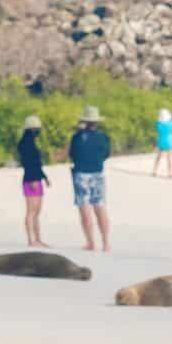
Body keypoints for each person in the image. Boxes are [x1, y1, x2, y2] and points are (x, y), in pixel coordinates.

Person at [69, 107, 111, 253]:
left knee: (84, 208)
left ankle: (91, 242)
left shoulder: (77, 137)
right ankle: (106, 242)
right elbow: (106, 154)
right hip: (97, 173)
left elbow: (72, 154)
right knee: (100, 207)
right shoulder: (103, 137)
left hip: (81, 173)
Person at [17, 115, 50, 247]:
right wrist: (34, 179)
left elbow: (37, 164)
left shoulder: (30, 142)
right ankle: (31, 240)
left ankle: (37, 239)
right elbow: (29, 163)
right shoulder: (26, 144)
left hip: (36, 178)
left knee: (37, 211)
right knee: (31, 211)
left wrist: (44, 177)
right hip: (31, 180)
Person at [152, 107, 172, 178]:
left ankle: (155, 171)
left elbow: (157, 124)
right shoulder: (171, 124)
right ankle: (170, 173)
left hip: (161, 141)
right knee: (169, 158)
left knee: (158, 157)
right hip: (169, 141)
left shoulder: (159, 124)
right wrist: (171, 117)